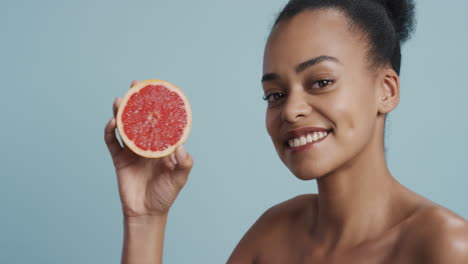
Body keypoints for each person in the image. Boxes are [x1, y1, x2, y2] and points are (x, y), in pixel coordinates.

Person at [104, 0, 468, 263]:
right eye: (274, 94)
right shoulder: (274, 233)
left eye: (321, 82)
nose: (291, 110)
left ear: (386, 90)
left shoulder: (444, 246)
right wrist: (146, 219)